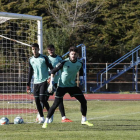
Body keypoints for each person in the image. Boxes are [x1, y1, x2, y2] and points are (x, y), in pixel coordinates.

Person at [42, 46, 93, 128]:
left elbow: (81, 73)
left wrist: (81, 81)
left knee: (83, 101)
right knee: (55, 104)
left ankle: (84, 120)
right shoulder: (64, 62)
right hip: (62, 86)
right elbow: (53, 71)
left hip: (72, 86)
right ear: (69, 54)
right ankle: (46, 121)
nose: (73, 55)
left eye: (75, 54)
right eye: (72, 54)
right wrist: (51, 83)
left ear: (77, 55)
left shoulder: (80, 63)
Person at [36, 44, 72, 123]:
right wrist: (48, 76)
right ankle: (40, 115)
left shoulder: (59, 58)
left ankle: (63, 117)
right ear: (47, 51)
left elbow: (63, 68)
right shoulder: (46, 58)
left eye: (51, 49)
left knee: (59, 99)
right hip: (48, 82)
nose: (50, 51)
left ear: (54, 49)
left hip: (58, 81)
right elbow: (44, 69)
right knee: (44, 99)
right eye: (49, 50)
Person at [26, 43, 53, 123]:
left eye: (36, 49)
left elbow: (51, 69)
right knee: (36, 100)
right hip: (36, 82)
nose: (34, 51)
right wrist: (28, 84)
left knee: (42, 99)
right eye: (33, 49)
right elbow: (30, 72)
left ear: (38, 49)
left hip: (44, 80)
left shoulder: (44, 58)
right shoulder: (31, 59)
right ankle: (41, 117)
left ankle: (50, 113)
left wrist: (50, 78)